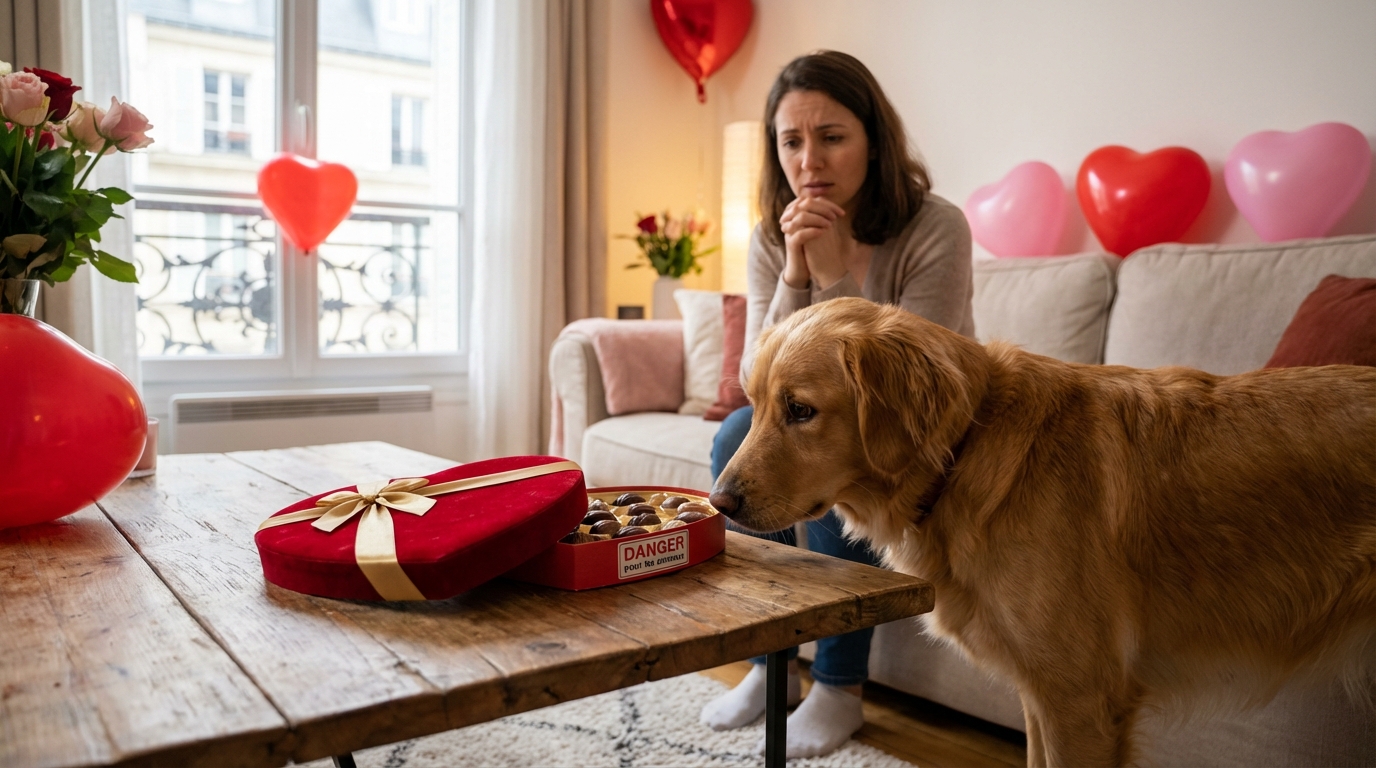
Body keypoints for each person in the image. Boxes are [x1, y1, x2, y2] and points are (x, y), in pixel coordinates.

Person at [698, 50, 975, 759]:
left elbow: (907, 385)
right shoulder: (772, 234)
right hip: (822, 407)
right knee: (734, 437)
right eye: (791, 141)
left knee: (839, 453)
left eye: (831, 137)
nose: (808, 161)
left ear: (874, 141)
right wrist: (795, 271)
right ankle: (769, 665)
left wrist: (835, 273)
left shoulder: (935, 227)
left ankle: (839, 686)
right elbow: (755, 378)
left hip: (921, 433)